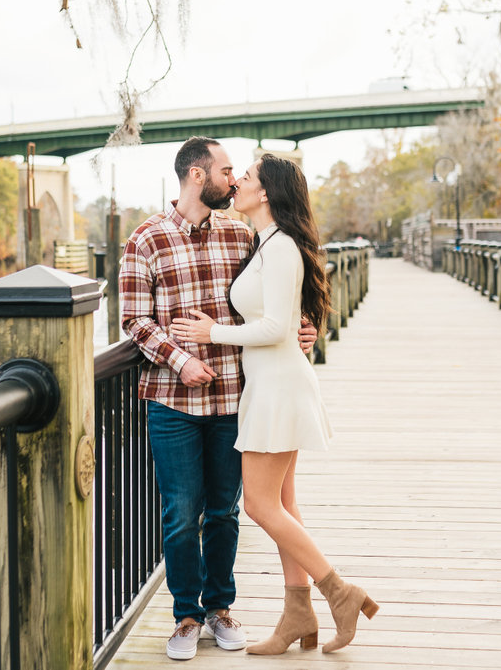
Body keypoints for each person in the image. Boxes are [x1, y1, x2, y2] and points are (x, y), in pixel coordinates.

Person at [170, 153, 378, 655]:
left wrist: (210, 332)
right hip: (267, 385)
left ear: (265, 193)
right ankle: (297, 613)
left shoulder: (281, 246)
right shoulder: (263, 243)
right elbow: (289, 317)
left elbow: (277, 328)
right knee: (284, 503)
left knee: (262, 506)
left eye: (246, 178)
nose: (237, 182)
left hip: (279, 388)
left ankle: (339, 592)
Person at [119, 137, 316, 662]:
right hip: (171, 400)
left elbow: (278, 296)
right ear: (196, 176)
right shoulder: (145, 239)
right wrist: (180, 359)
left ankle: (219, 608)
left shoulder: (242, 234)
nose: (234, 179)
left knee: (226, 512)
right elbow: (134, 320)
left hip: (236, 397)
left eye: (238, 173)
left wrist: (304, 326)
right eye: (227, 170)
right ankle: (185, 616)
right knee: (182, 513)